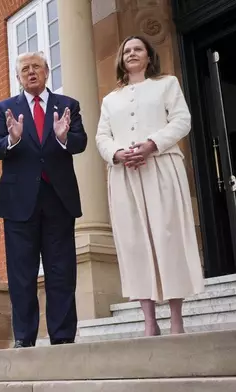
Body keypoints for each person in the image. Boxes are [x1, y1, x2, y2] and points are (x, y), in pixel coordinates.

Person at [95, 35, 205, 336]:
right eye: (127, 50)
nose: (132, 53)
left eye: (138, 49)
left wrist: (152, 144)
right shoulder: (110, 99)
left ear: (148, 56)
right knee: (134, 244)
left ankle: (176, 319)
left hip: (161, 168)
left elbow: (182, 121)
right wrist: (117, 154)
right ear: (121, 58)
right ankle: (149, 322)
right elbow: (101, 136)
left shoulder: (167, 84)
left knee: (167, 238)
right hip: (125, 176)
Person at [0, 52, 87, 347]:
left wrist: (62, 137)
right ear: (18, 77)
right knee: (22, 275)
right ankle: (24, 338)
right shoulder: (5, 108)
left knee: (61, 271)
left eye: (36, 67)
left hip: (58, 199)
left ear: (47, 71)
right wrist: (13, 139)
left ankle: (62, 336)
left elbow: (80, 142)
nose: (31, 72)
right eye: (24, 69)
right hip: (19, 203)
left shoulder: (67, 105)